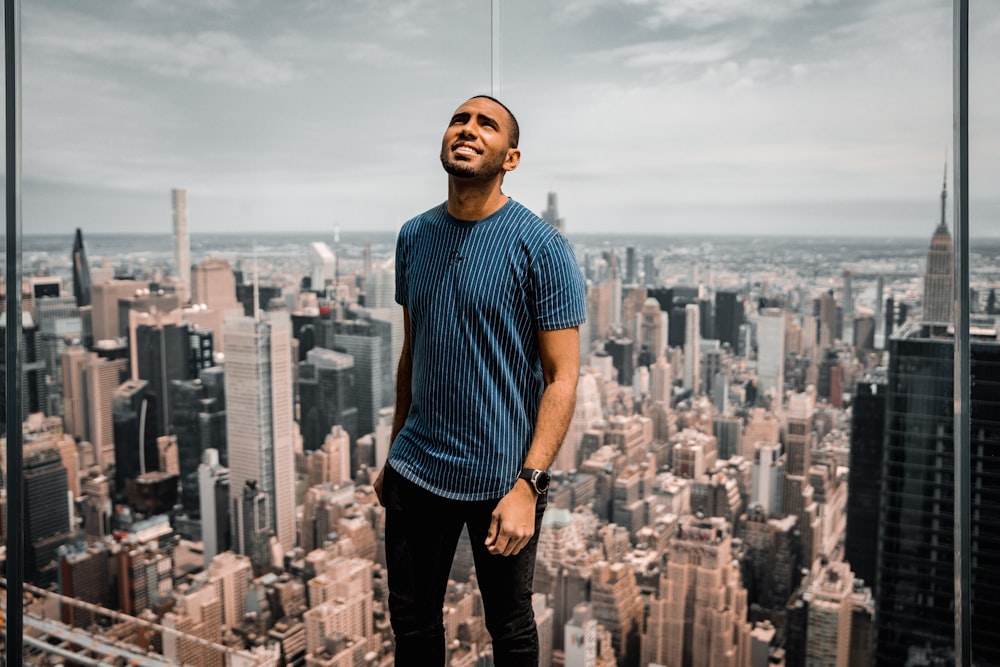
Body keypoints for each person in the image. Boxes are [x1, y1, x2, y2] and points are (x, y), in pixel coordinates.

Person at [374, 95, 587, 666]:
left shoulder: (542, 247)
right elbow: (413, 351)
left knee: (511, 628)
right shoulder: (413, 236)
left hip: (503, 480)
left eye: (486, 124)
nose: (467, 129)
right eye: (458, 120)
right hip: (417, 471)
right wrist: (394, 451)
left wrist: (529, 485)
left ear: (510, 157)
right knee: (412, 626)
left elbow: (563, 377)